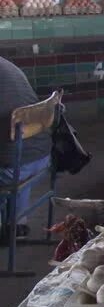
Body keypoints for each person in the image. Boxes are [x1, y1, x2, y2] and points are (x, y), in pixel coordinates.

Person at [0, 57, 53, 242]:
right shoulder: (8, 66)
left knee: (10, 156)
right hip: (42, 157)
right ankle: (16, 223)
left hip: (14, 167)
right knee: (14, 150)